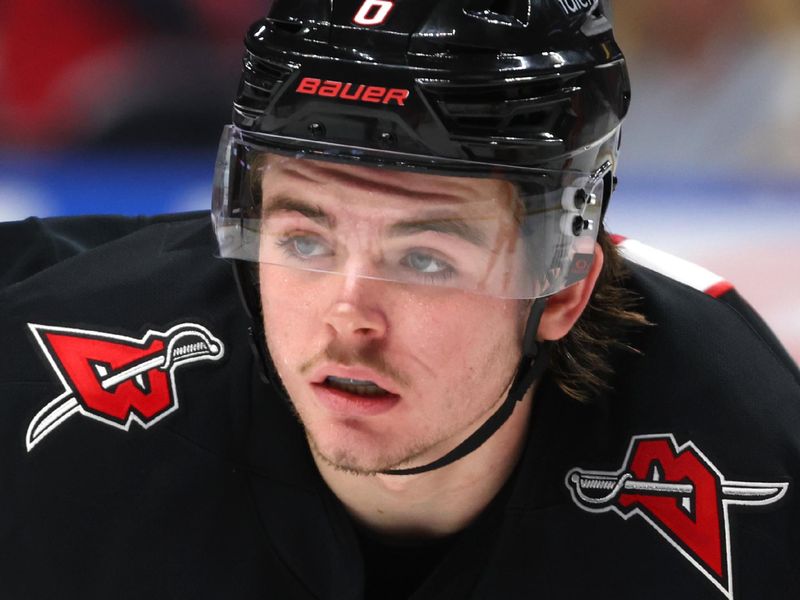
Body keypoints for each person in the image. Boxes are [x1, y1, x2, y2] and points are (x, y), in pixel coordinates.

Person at [1, 1, 798, 599]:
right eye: (305, 240)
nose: (349, 316)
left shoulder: (752, 464)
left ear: (562, 289)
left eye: (424, 258)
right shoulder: (46, 370)